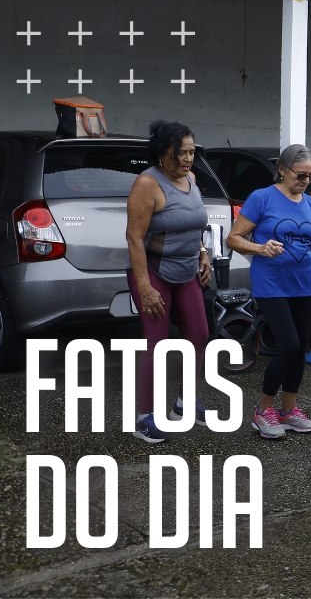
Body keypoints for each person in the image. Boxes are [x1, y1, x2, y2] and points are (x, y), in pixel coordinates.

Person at [226, 144, 311, 439]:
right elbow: (234, 238)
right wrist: (260, 248)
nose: (306, 181)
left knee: (302, 346)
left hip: (304, 284)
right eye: (300, 175)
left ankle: (288, 411)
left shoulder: (310, 204)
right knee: (288, 345)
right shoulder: (262, 198)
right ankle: (264, 410)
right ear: (282, 169)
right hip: (271, 285)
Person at [124, 121, 212, 443]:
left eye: (191, 152)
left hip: (187, 271)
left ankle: (183, 403)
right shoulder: (147, 184)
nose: (188, 159)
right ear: (164, 154)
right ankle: (143, 417)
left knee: (199, 334)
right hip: (153, 272)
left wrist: (203, 253)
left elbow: (192, 224)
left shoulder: (191, 179)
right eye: (181, 153)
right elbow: (134, 238)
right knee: (156, 342)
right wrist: (144, 287)